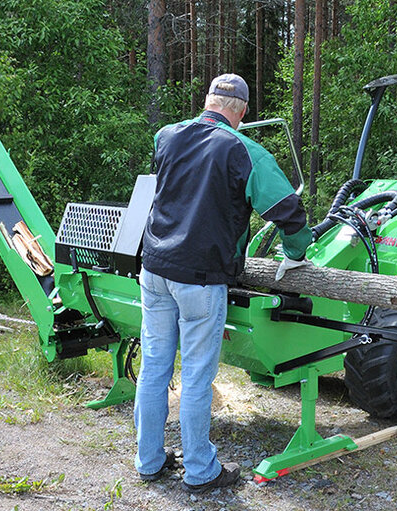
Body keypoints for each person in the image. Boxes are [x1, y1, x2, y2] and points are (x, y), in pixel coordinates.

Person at [134, 73, 313, 493]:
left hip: (154, 269)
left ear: (208, 101)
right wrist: (295, 255)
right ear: (243, 112)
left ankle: (149, 460)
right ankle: (200, 471)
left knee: (155, 365)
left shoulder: (167, 137)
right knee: (196, 375)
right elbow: (289, 212)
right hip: (200, 278)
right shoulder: (243, 149)